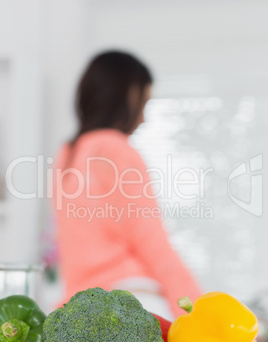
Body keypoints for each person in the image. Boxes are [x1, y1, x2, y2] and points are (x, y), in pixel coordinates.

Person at [53, 51, 201, 319]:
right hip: (128, 297)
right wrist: (198, 309)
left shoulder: (68, 153)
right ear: (129, 96)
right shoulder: (114, 148)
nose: (143, 119)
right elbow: (152, 243)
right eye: (144, 103)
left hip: (78, 305)